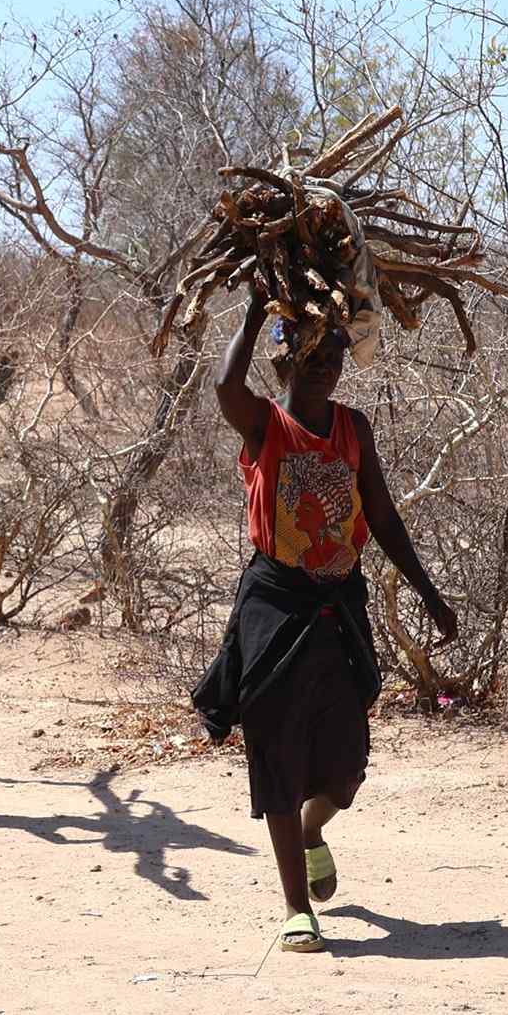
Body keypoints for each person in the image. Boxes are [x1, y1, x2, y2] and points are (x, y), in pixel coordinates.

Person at [194, 299, 458, 953]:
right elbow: (226, 386)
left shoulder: (353, 428)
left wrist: (427, 590)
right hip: (274, 605)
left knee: (345, 767)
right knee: (275, 751)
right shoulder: (265, 424)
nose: (323, 371)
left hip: (337, 605)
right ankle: (294, 907)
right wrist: (255, 310)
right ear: (287, 361)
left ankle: (314, 830)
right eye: (311, 359)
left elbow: (384, 516)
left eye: (333, 360)